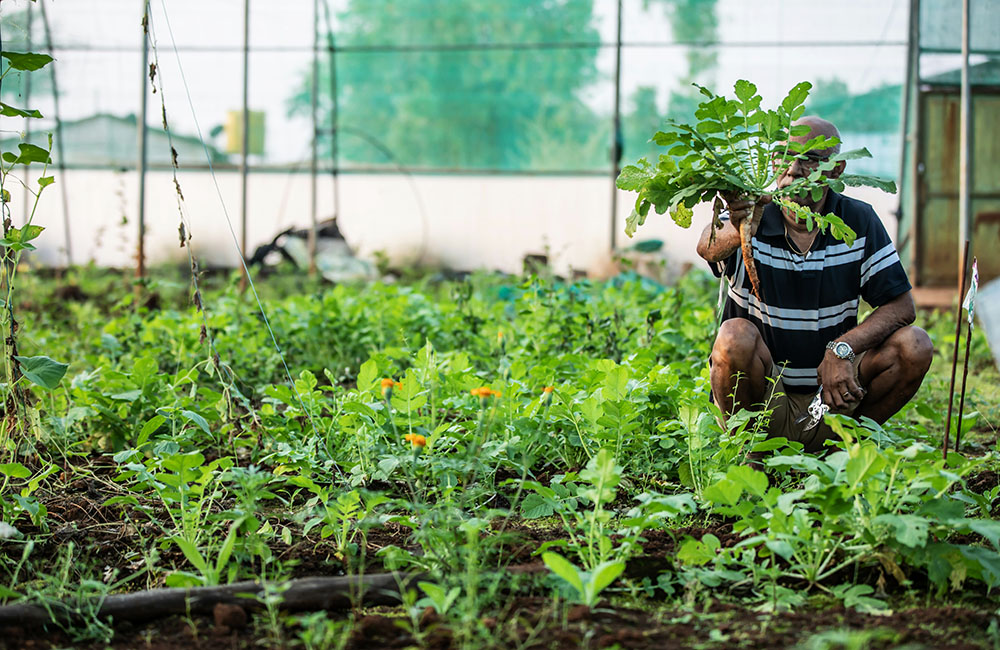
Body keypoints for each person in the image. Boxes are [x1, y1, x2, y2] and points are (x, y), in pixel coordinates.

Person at [696, 116, 933, 454]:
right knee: (734, 336)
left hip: (833, 401)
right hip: (763, 405)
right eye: (785, 157)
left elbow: (901, 307)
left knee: (915, 345)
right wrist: (741, 226)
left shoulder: (857, 220)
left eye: (810, 160)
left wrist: (842, 349)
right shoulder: (752, 212)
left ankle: (841, 446)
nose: (793, 170)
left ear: (836, 171)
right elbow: (707, 245)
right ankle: (752, 453)